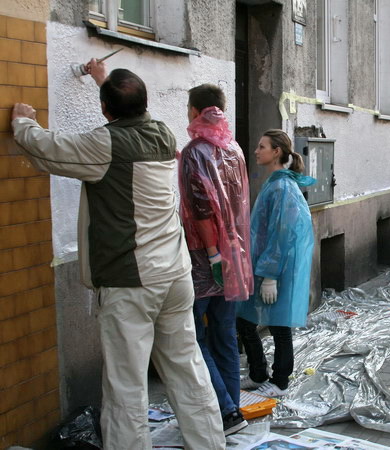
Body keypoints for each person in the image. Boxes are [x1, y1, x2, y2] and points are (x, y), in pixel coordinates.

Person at [11, 61, 225, 449]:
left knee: (125, 386)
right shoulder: (162, 133)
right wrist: (103, 82)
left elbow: (48, 150)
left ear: (107, 109)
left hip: (132, 281)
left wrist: (23, 122)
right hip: (175, 276)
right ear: (143, 104)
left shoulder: (104, 145)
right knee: (188, 371)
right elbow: (127, 115)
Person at [178, 84, 254, 435]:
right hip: (234, 256)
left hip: (204, 258)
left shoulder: (197, 151)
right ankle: (233, 408)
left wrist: (212, 256)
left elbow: (202, 208)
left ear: (196, 111)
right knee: (224, 334)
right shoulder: (233, 149)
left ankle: (225, 411)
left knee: (193, 337)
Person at [236, 129, 315, 397]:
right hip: (264, 264)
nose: (256, 151)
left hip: (277, 267)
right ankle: (258, 373)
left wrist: (270, 275)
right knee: (244, 319)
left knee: (280, 325)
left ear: (276, 152)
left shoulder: (282, 187)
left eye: (262, 146)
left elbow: (283, 233)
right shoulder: (275, 182)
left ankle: (280, 381)